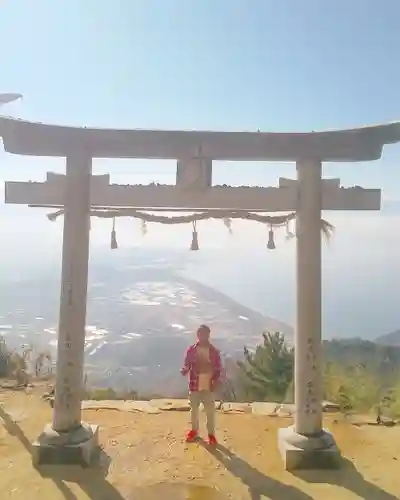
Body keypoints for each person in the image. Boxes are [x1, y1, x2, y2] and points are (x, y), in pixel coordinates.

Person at [180, 324, 222, 445]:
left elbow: (218, 368)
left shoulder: (214, 351)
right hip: (195, 384)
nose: (203, 336)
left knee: (210, 411)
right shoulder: (191, 350)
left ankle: (211, 435)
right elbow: (187, 364)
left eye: (205, 334)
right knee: (194, 409)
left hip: (209, 385)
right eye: (201, 334)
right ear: (198, 335)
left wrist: (215, 381)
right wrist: (184, 370)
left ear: (208, 335)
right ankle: (194, 431)